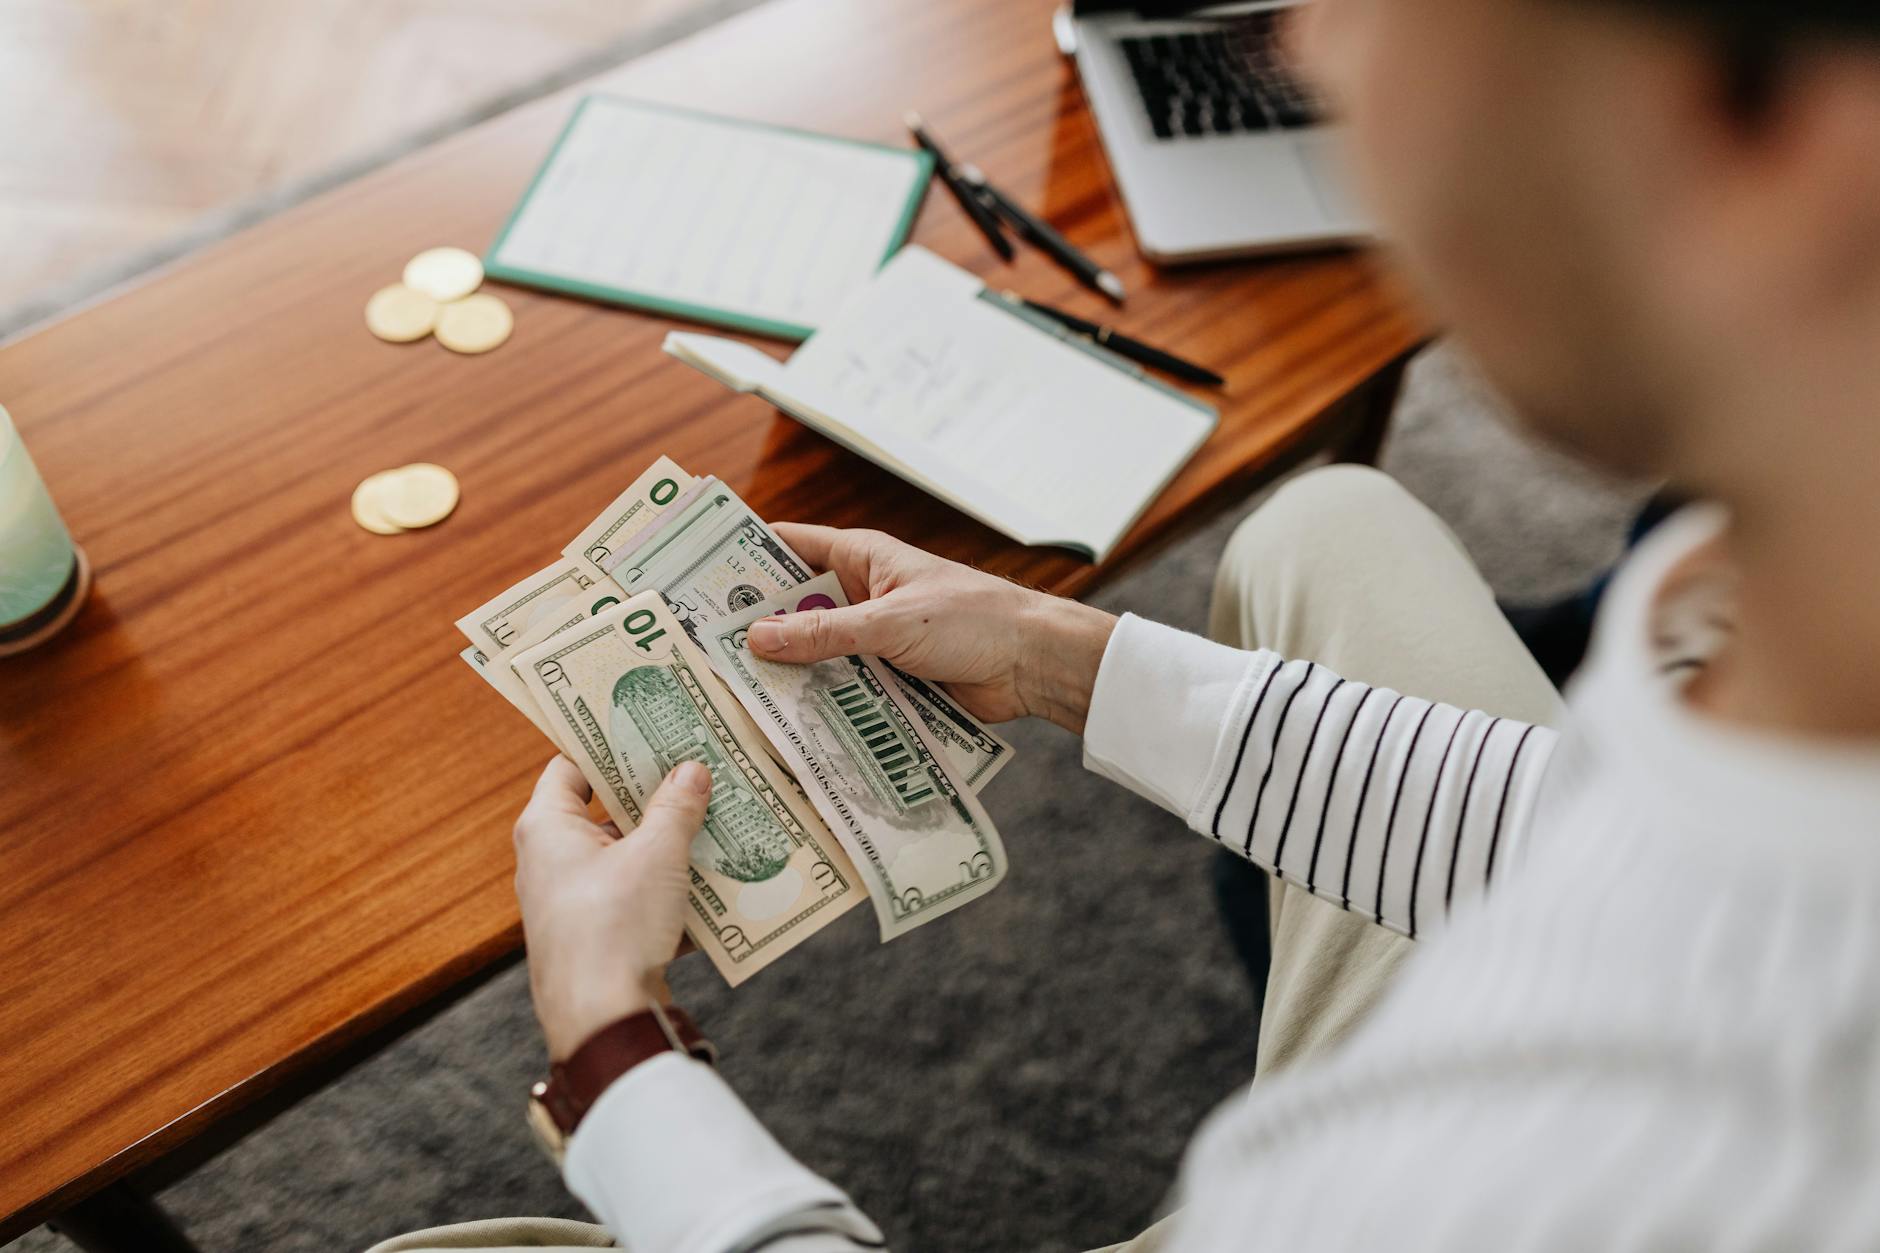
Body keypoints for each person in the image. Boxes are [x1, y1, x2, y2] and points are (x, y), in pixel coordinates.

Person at [373, 0, 1880, 1247]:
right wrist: (1049, 655)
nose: (1305, 50)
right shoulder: (1780, 648)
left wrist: (609, 1041)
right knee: (1326, 523)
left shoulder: (1579, 1174)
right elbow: (1574, 831)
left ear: (1783, 135)